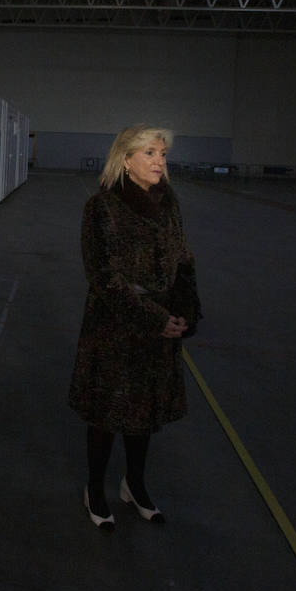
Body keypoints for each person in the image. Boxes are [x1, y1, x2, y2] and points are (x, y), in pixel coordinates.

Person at [68, 124, 201, 530]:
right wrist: (155, 319)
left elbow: (183, 260)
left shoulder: (170, 202)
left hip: (159, 324)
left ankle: (134, 484)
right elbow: (104, 278)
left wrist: (185, 313)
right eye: (150, 153)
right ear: (126, 160)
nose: (160, 160)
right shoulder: (101, 207)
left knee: (145, 413)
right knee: (108, 414)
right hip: (116, 327)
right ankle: (94, 489)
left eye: (162, 153)